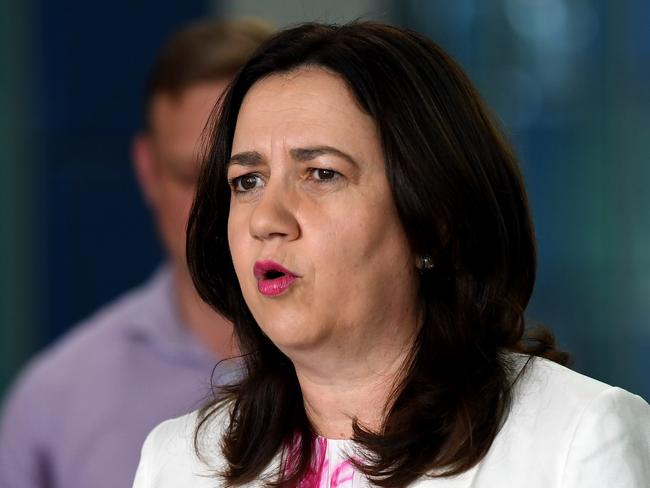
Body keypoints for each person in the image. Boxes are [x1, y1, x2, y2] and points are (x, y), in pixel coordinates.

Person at [132, 21, 650, 487]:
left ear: (434, 219)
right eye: (247, 181)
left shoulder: (577, 439)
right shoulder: (177, 464)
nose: (267, 220)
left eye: (321, 174)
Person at [0, 18, 273, 488]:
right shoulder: (56, 399)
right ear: (147, 171)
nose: (218, 207)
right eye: (191, 178)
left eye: (244, 176)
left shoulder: (380, 377)